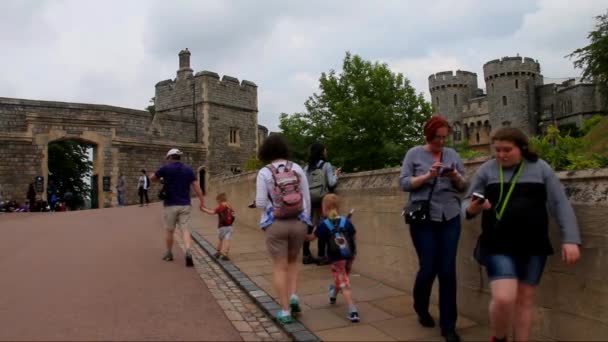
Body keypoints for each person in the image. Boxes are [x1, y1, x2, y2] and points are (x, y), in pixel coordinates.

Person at [463, 127, 581, 342]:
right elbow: (466, 203)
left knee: (525, 299)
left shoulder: (541, 168)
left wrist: (571, 239)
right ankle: (499, 338)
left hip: (533, 244)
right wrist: (472, 208)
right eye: (497, 150)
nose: (501, 155)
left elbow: (559, 203)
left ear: (522, 148)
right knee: (503, 298)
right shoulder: (487, 170)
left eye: (507, 150)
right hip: (497, 243)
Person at [399, 115, 467, 342]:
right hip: (423, 218)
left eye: (444, 137)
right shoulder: (414, 154)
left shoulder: (452, 155)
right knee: (428, 268)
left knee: (447, 271)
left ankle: (449, 326)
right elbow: (404, 183)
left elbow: (464, 186)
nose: (441, 142)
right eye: (437, 137)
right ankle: (421, 307)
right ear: (428, 135)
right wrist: (428, 175)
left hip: (450, 216)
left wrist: (455, 175)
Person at [255, 134, 311, 324]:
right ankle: (294, 296)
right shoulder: (296, 168)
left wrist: (265, 210)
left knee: (280, 266)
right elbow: (306, 198)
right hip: (298, 222)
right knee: (294, 262)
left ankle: (285, 311)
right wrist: (307, 222)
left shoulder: (264, 172)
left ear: (266, 152)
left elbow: (262, 202)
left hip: (276, 225)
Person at [305, 194, 359, 322]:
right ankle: (333, 292)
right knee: (341, 278)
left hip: (336, 258)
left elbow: (311, 238)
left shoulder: (324, 224)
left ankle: (352, 310)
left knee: (344, 283)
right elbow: (353, 238)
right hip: (349, 256)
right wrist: (353, 257)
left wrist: (300, 234)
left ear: (325, 208)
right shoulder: (346, 221)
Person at [151, 148, 205, 267]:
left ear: (170, 157)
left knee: (170, 230)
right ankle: (188, 251)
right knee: (185, 230)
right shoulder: (188, 169)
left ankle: (169, 253)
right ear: (179, 157)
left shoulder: (165, 168)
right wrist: (202, 201)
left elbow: (152, 178)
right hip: (185, 204)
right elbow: (196, 186)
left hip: (170, 204)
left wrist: (161, 179)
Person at [302, 143, 341, 265]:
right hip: (322, 200)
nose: (326, 152)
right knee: (323, 226)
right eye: (325, 150)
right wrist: (337, 175)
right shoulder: (326, 165)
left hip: (309, 200)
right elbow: (331, 183)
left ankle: (306, 255)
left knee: (308, 226)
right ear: (321, 152)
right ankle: (321, 256)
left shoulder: (306, 168)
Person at [202, 192, 235, 260]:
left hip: (222, 227)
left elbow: (212, 212)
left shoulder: (221, 207)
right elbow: (233, 215)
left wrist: (204, 209)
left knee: (220, 240)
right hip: (230, 227)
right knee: (227, 240)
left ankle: (218, 252)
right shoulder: (229, 206)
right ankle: (225, 254)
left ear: (219, 200)